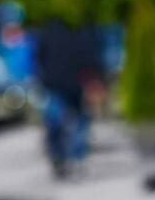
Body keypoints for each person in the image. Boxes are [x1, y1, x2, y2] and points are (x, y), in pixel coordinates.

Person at [35, 21, 106, 179]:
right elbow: (40, 56)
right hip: (55, 83)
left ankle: (76, 157)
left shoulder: (88, 27)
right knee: (55, 121)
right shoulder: (50, 28)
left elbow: (95, 55)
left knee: (80, 122)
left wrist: (96, 80)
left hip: (78, 83)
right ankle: (59, 157)